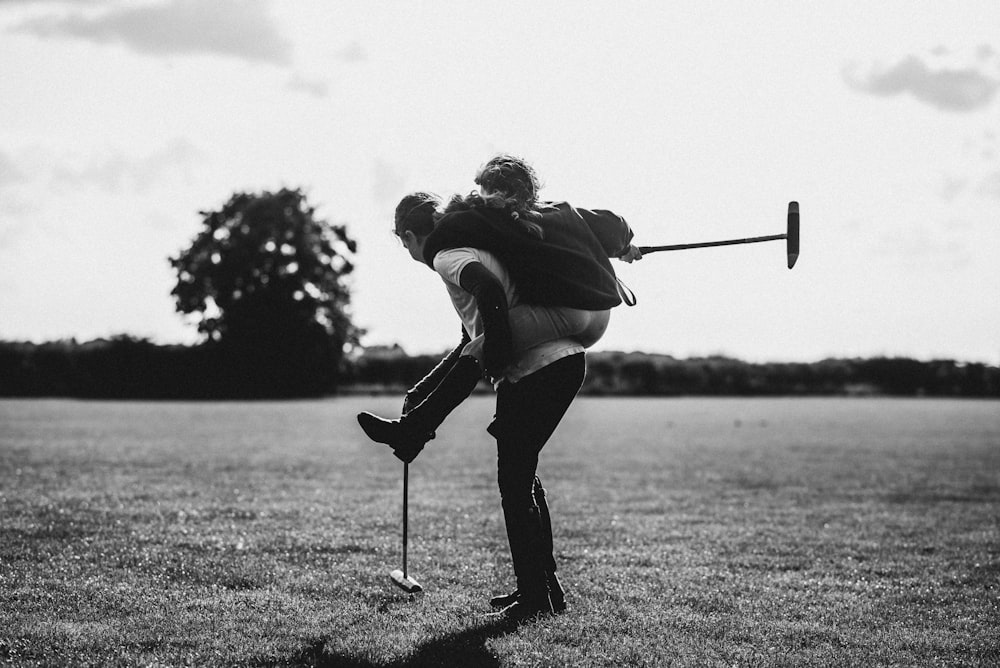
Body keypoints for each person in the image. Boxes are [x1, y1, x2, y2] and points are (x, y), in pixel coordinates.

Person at [358, 156, 639, 619]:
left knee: (515, 483)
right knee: (522, 479)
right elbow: (471, 340)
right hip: (560, 361)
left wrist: (499, 351)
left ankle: (534, 598)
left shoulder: (449, 255)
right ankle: (543, 591)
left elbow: (486, 316)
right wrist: (423, 390)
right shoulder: (490, 239)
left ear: (409, 237)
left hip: (540, 368)